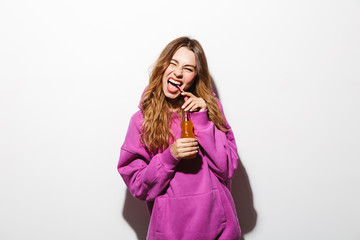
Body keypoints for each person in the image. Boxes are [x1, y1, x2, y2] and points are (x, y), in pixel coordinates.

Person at [118, 36, 241, 240]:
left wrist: (202, 120)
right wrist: (170, 156)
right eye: (173, 63)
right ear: (163, 67)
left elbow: (227, 168)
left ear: (195, 76)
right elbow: (138, 186)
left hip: (221, 231)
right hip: (170, 234)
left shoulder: (210, 109)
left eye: (188, 68)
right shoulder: (141, 120)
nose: (178, 72)